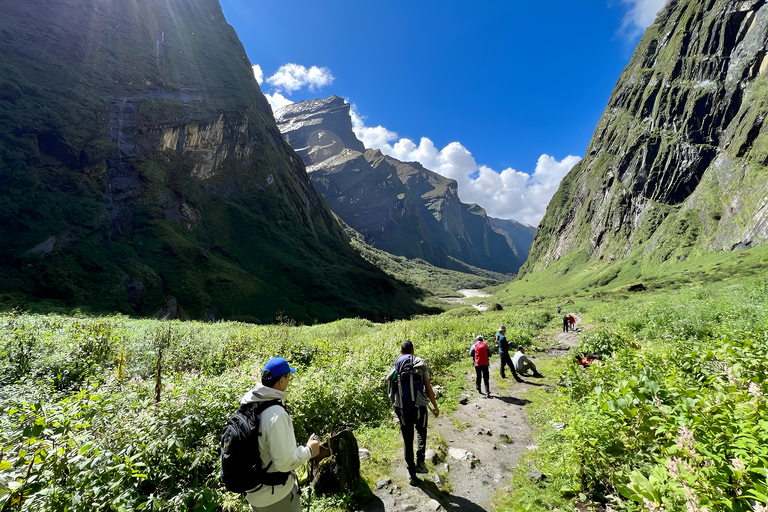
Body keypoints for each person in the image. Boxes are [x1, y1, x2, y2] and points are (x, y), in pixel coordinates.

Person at [241, 357, 321, 512]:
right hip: (275, 496)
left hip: (253, 492)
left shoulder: (250, 403)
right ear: (281, 381)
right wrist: (310, 450)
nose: (289, 380)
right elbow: (285, 463)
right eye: (288, 377)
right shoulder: (276, 414)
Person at [386, 340, 439, 486]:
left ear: (401, 351)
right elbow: (428, 388)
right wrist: (434, 406)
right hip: (419, 406)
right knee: (421, 431)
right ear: (413, 350)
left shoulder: (396, 365)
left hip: (402, 408)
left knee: (407, 440)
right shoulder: (420, 364)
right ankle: (421, 461)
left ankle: (411, 473)